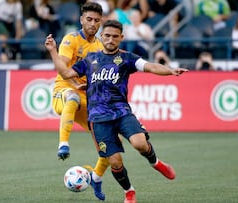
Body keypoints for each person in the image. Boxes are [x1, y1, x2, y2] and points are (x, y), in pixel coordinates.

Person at [45, 19, 188, 203]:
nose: (111, 39)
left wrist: (170, 71)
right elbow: (65, 74)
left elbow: (151, 66)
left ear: (121, 38)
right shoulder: (90, 60)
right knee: (114, 161)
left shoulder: (127, 58)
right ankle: (129, 192)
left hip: (121, 113)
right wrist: (52, 51)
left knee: (140, 144)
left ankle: (157, 163)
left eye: (115, 36)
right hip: (98, 118)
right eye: (107, 36)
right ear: (101, 37)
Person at [50, 2, 108, 201]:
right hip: (64, 92)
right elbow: (63, 68)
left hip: (88, 100)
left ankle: (94, 177)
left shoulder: (101, 45)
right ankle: (63, 144)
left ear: (101, 22)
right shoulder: (71, 39)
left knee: (110, 145)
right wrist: (76, 83)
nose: (93, 24)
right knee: (73, 97)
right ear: (81, 19)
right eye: (89, 19)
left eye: (97, 21)